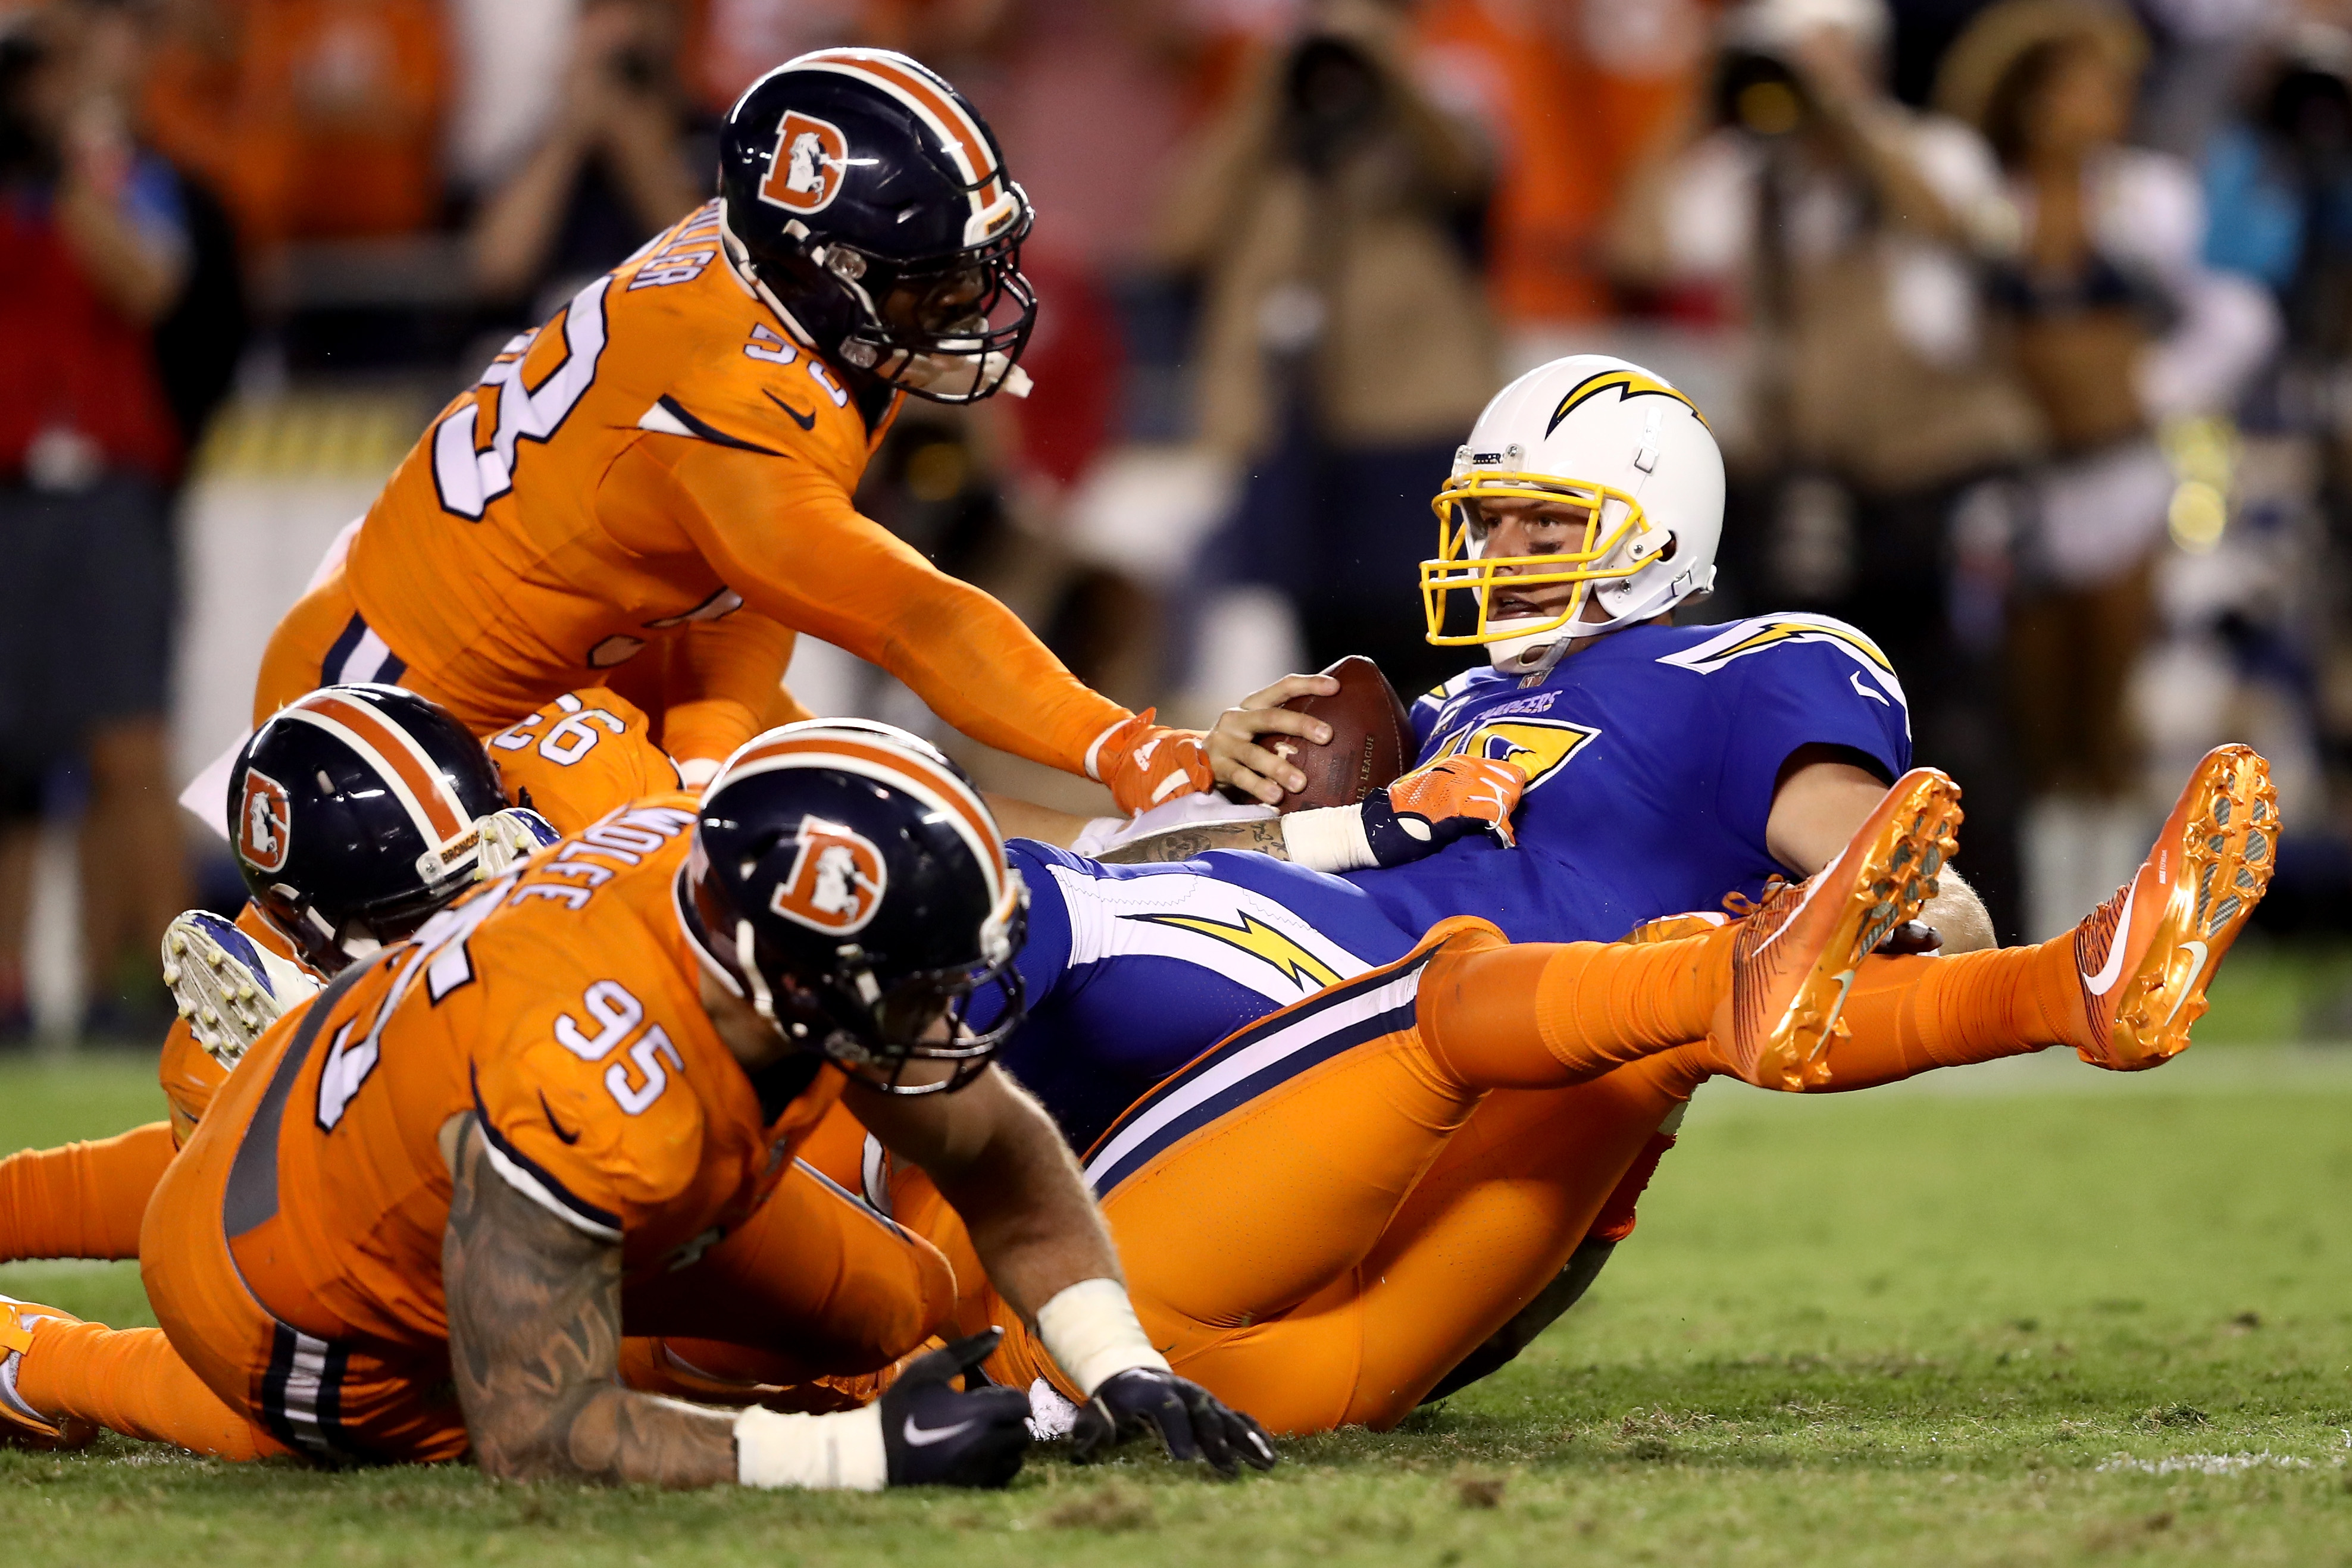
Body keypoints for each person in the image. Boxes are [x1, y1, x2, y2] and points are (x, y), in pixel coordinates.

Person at [842, 740, 2276, 1434]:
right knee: (1461, 996)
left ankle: (2068, 984)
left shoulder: (701, 1134)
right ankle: (1768, 980)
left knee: (1621, 1038)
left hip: (1228, 1378)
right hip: (1131, 1316)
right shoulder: (976, 934)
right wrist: (1348, 825)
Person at [0, 727, 1276, 1489]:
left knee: (899, 1302)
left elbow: (997, 1151)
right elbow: (542, 1434)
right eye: (915, 982)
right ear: (787, 967)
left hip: (432, 1095)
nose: (942, 1017)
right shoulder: (589, 1081)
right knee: (387, 1417)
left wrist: (1124, 1364)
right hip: (285, 1287)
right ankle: (36, 1357)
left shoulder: (741, 907)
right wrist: (856, 1459)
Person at [986, 353, 1993, 1150]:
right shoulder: (1451, 706)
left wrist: (1919, 933)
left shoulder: (1740, 670)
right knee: (983, 915)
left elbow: (1911, 886)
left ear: (1664, 538)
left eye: (1549, 527)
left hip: (1408, 999)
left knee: (993, 918)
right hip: (1313, 967)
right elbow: (1141, 850)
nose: (1501, 555)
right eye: (1485, 521)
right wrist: (1219, 764)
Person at [242, 48, 1271, 815]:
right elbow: (918, 619)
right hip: (413, 705)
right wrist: (1132, 750)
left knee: (866, 814)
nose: (970, 304)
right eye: (938, 280)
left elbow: (740, 582)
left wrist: (710, 739)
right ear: (829, 271)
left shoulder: (788, 299)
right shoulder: (731, 387)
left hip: (571, 662)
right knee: (717, 925)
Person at [1932, 0, 2279, 940]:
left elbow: (2241, 316)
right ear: (2029, 98)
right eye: (2077, 86)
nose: (2097, 106)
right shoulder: (1984, 205)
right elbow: (1941, 330)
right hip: (2030, 489)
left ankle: (2121, 938)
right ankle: (2050, 942)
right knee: (2042, 725)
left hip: (2129, 476)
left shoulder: (2147, 203)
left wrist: (2153, 393)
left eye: (2108, 87)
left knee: (2114, 719)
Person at [0, 2, 195, 1040]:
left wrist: (73, 167)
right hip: (10, 489)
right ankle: (12, 997)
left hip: (111, 489)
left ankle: (162, 990)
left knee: (129, 744)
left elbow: (149, 280)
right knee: (9, 762)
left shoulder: (120, 172)